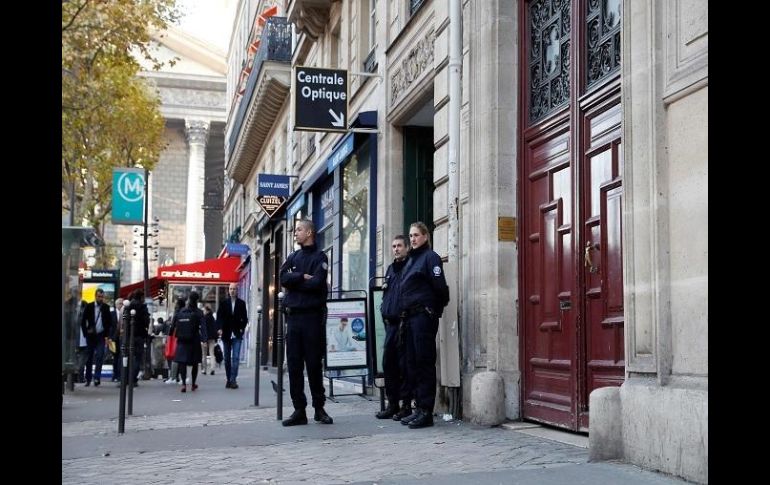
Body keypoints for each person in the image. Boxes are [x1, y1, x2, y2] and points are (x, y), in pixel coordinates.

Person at [279, 219, 333, 426]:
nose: (295, 233)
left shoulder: (320, 257)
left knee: (313, 365)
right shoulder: (292, 257)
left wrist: (296, 282)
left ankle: (319, 408)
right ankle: (298, 410)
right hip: (293, 319)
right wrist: (302, 276)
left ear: (309, 232)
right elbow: (283, 278)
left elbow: (317, 283)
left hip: (312, 318)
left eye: (299, 229)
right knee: (294, 365)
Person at [397, 222, 450, 429]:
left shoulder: (431, 258)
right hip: (409, 318)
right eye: (410, 236)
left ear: (426, 236)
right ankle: (418, 407)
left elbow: (440, 289)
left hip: (423, 317)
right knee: (412, 364)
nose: (412, 239)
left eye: (416, 235)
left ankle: (426, 411)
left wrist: (433, 311)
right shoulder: (411, 260)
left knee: (424, 362)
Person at [376, 235, 412, 420]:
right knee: (388, 364)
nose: (396, 249)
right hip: (390, 324)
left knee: (404, 366)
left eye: (399, 246)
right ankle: (393, 404)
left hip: (404, 323)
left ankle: (406, 406)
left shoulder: (410, 266)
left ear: (407, 247)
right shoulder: (390, 268)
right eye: (393, 246)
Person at [216, 283, 248, 389]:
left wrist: (242, 329)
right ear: (228, 290)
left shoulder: (241, 303)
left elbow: (245, 318)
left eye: (234, 289)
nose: (232, 291)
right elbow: (219, 317)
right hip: (226, 334)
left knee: (236, 358)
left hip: (237, 334)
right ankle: (228, 378)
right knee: (227, 359)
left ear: (237, 290)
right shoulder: (224, 303)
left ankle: (233, 380)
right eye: (231, 289)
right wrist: (220, 328)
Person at [80, 288, 112, 386]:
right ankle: (88, 378)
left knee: (99, 356)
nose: (100, 299)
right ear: (95, 296)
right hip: (90, 336)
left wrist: (107, 336)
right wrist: (86, 333)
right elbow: (82, 321)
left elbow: (109, 323)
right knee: (89, 358)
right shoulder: (89, 306)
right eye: (99, 297)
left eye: (102, 297)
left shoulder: (106, 307)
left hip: (101, 336)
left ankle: (97, 378)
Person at [173, 291, 204, 392]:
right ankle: (193, 383)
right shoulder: (199, 312)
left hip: (182, 340)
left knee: (182, 362)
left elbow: (174, 323)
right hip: (194, 339)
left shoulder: (181, 311)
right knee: (195, 363)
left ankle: (183, 384)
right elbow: (203, 327)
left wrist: (170, 335)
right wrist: (204, 339)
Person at [124, 289, 150, 386]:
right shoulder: (143, 307)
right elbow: (146, 321)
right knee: (138, 358)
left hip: (129, 335)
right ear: (141, 297)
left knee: (128, 357)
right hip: (139, 335)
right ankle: (133, 379)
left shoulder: (128, 305)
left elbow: (125, 319)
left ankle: (126, 378)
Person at [109, 298, 124, 383]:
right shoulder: (112, 314)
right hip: (113, 339)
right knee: (114, 357)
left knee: (120, 357)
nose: (121, 305)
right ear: (116, 305)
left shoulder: (125, 314)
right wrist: (109, 337)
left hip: (122, 338)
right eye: (120, 303)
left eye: (122, 303)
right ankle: (115, 375)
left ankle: (119, 375)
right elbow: (109, 326)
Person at [201, 305, 218, 375]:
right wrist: (215, 338)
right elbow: (215, 329)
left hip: (205, 338)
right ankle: (212, 369)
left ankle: (204, 370)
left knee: (204, 354)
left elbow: (203, 329)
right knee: (212, 353)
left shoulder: (204, 318)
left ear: (207, 310)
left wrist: (203, 339)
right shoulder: (213, 318)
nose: (203, 312)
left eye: (204, 310)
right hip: (212, 338)